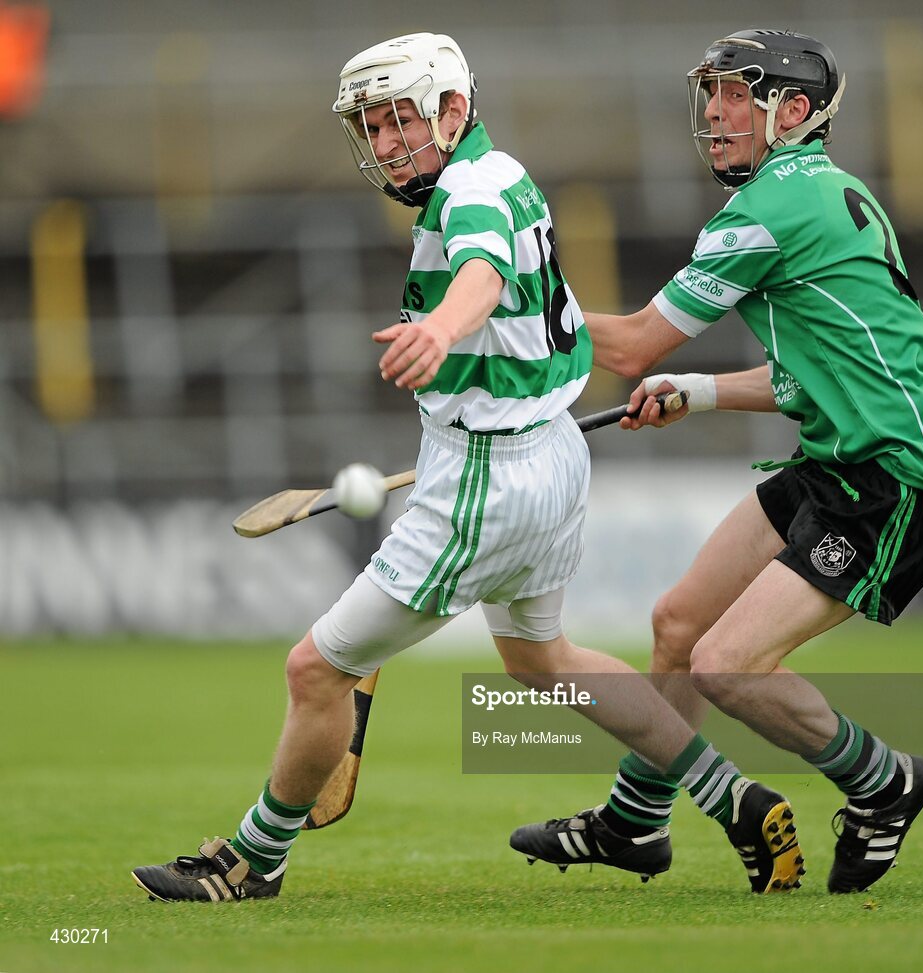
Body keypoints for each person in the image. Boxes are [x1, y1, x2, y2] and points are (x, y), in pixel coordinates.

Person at [130, 31, 790, 903]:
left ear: (453, 107)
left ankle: (254, 859)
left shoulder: (469, 192)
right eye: (372, 126)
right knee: (543, 662)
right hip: (549, 454)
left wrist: (441, 329)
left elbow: (479, 269)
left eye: (402, 119)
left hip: (489, 478)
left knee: (314, 669)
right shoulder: (502, 168)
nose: (387, 142)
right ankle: (731, 795)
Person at [510, 28, 923, 895]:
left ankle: (885, 781)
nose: (715, 113)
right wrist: (700, 391)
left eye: (737, 95)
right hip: (837, 459)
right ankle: (636, 821)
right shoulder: (824, 191)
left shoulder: (769, 209)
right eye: (712, 95)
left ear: (792, 112)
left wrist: (498, 309)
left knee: (727, 664)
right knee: (679, 625)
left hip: (898, 480)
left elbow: (632, 344)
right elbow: (821, 373)